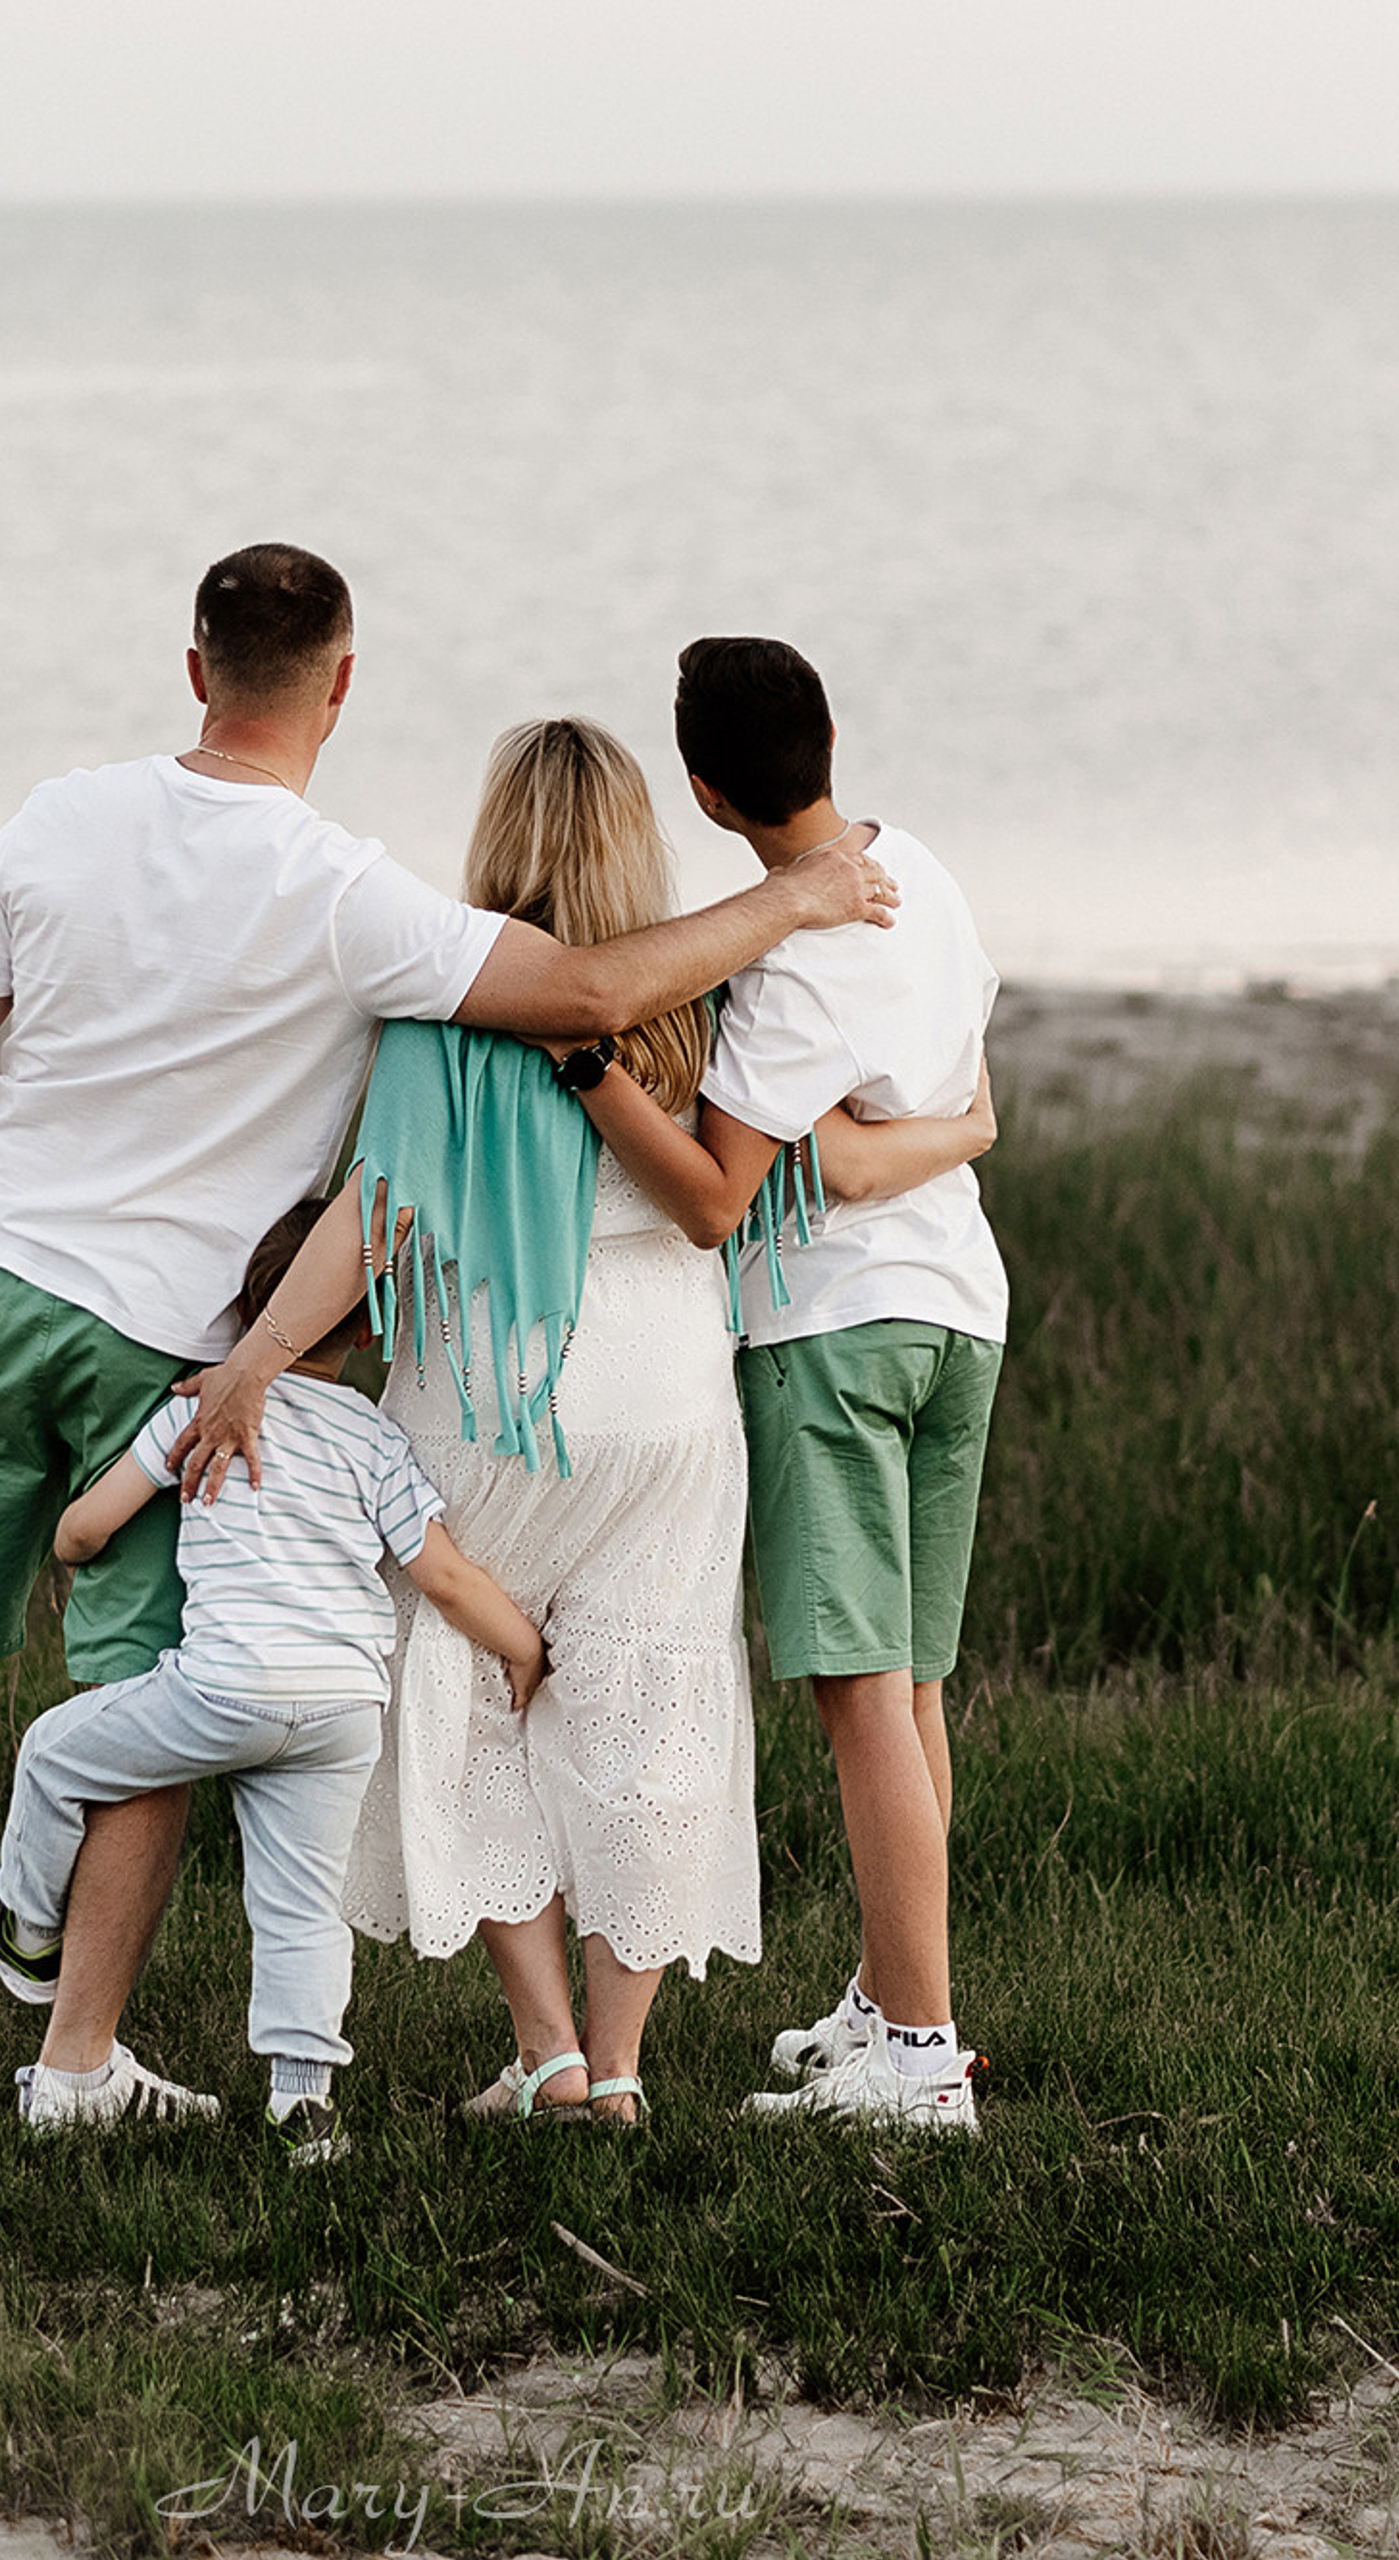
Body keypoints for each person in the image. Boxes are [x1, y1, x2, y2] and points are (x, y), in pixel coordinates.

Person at [0, 543, 901, 2097]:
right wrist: (801, 902)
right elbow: (623, 1027)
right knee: (171, 1695)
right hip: (332, 1360)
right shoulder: (360, 899)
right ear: (340, 686)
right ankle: (91, 2062)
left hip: (13, 1288)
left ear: (196, 670)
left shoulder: (60, 819)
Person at [176, 719, 997, 2126]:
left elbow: (378, 1211)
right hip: (669, 1404)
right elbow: (800, 1167)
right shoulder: (703, 1009)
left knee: (467, 1685)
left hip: (491, 1403)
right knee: (650, 1702)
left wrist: (256, 1359)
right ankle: (618, 2066)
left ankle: (546, 2047)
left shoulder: (448, 1011)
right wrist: (965, 1129)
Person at [557, 637, 1008, 2132]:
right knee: (912, 1685)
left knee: (858, 1692)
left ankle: (922, 2058)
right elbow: (947, 1103)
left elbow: (715, 1197)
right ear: (827, 734)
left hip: (835, 1336)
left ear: (703, 791)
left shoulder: (784, 972)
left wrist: (593, 1072)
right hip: (960, 1314)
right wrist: (919, 1144)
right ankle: (890, 1999)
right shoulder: (921, 873)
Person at [0, 1200, 547, 2149]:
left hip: (225, 1688)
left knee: (52, 1752)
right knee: (302, 1905)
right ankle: (304, 2104)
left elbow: (87, 1527)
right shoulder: (377, 1440)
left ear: (248, 1310)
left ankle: (26, 1930)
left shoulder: (202, 1407)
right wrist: (524, 1646)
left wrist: (68, 1543)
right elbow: (447, 1577)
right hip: (342, 1708)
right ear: (369, 1328)